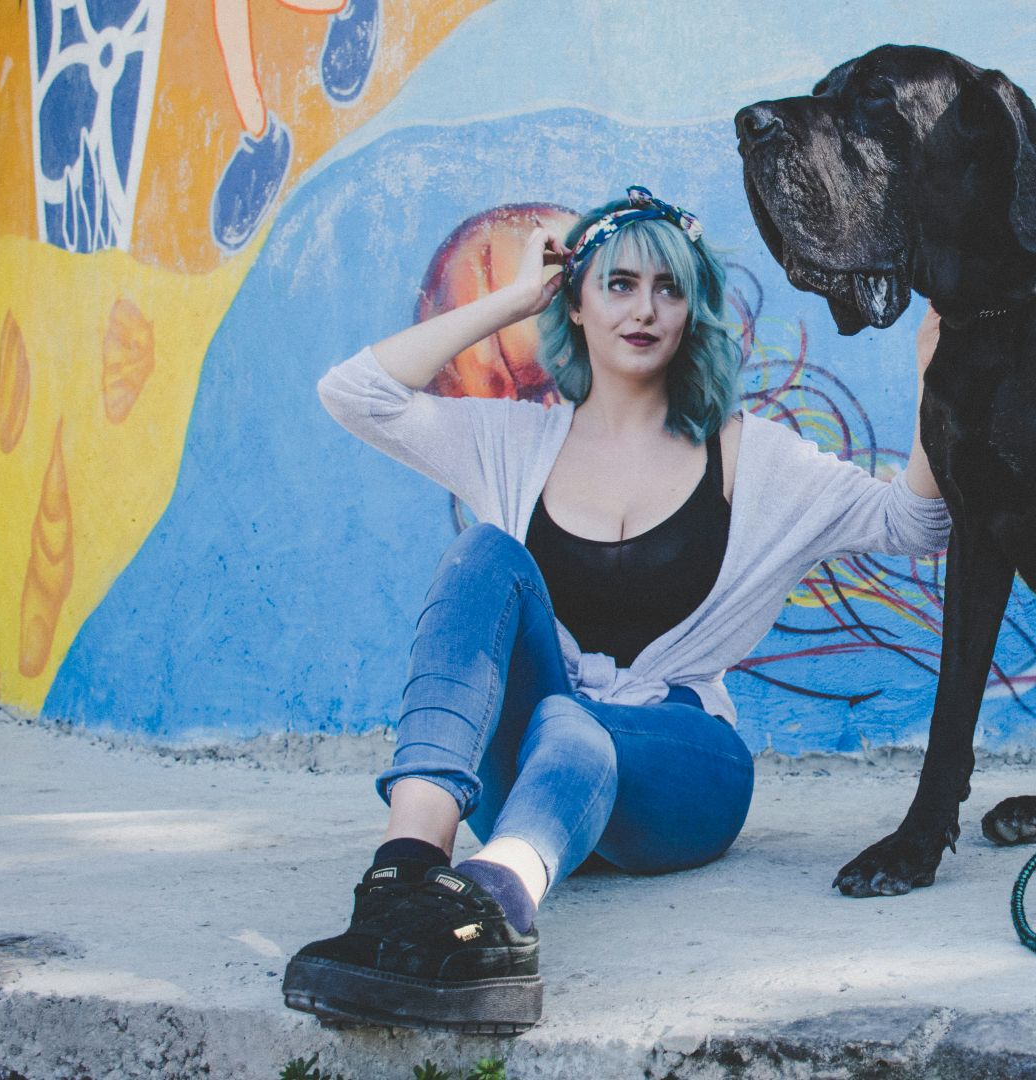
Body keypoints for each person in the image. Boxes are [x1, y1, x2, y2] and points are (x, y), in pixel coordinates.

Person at [282, 186, 948, 1035]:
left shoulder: (756, 460)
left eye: (669, 289)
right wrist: (510, 302)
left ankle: (494, 915)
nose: (645, 309)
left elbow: (916, 523)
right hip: (528, 779)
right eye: (619, 284)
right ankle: (404, 879)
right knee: (484, 555)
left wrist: (933, 377)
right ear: (577, 301)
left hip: (683, 771)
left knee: (569, 722)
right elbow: (355, 394)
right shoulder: (511, 442)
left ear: (692, 311)